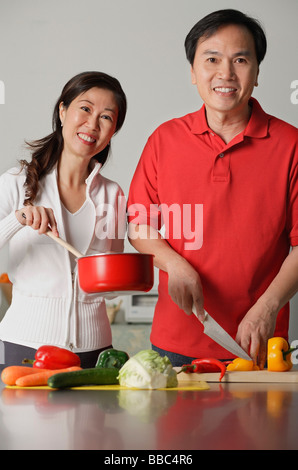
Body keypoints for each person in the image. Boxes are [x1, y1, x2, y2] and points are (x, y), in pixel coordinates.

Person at [127, 9, 298, 368]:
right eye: (212, 59)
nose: (226, 73)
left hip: (259, 345)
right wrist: (174, 264)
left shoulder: (291, 145)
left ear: (257, 71)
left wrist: (267, 308)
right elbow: (139, 225)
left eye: (240, 59)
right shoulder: (164, 140)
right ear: (193, 71)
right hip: (174, 342)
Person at [0, 71, 127, 368]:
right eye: (85, 108)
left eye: (106, 117)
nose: (92, 124)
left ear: (113, 131)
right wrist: (19, 218)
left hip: (95, 353)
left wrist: (121, 278)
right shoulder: (15, 183)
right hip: (24, 348)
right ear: (62, 110)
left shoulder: (113, 194)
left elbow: (110, 283)